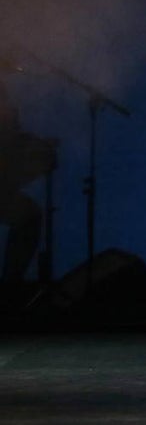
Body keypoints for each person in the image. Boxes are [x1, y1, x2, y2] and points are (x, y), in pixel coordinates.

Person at [0, 63, 53, 307]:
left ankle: (11, 288)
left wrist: (38, 147)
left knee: (29, 215)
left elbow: (12, 140)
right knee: (28, 216)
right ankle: (11, 289)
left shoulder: (6, 108)